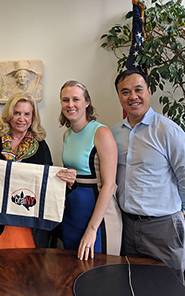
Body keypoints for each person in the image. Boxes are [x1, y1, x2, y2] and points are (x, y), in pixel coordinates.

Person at [111, 69, 185, 283]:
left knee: (167, 287)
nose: (132, 97)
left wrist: (173, 212)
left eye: (138, 90)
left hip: (163, 228)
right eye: (125, 92)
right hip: (127, 226)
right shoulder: (114, 134)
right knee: (132, 284)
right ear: (119, 97)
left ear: (149, 92)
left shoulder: (168, 131)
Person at [0, 93, 69, 249]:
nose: (21, 118)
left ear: (33, 118)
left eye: (27, 114)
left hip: (29, 225)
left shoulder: (40, 146)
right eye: (17, 113)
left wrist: (65, 180)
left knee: (28, 270)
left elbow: (48, 184)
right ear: (9, 115)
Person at [57, 80, 121, 261]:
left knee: (99, 277)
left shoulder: (101, 133)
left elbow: (109, 185)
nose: (70, 105)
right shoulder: (66, 134)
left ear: (87, 102)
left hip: (98, 218)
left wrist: (92, 229)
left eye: (76, 99)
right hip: (72, 213)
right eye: (65, 100)